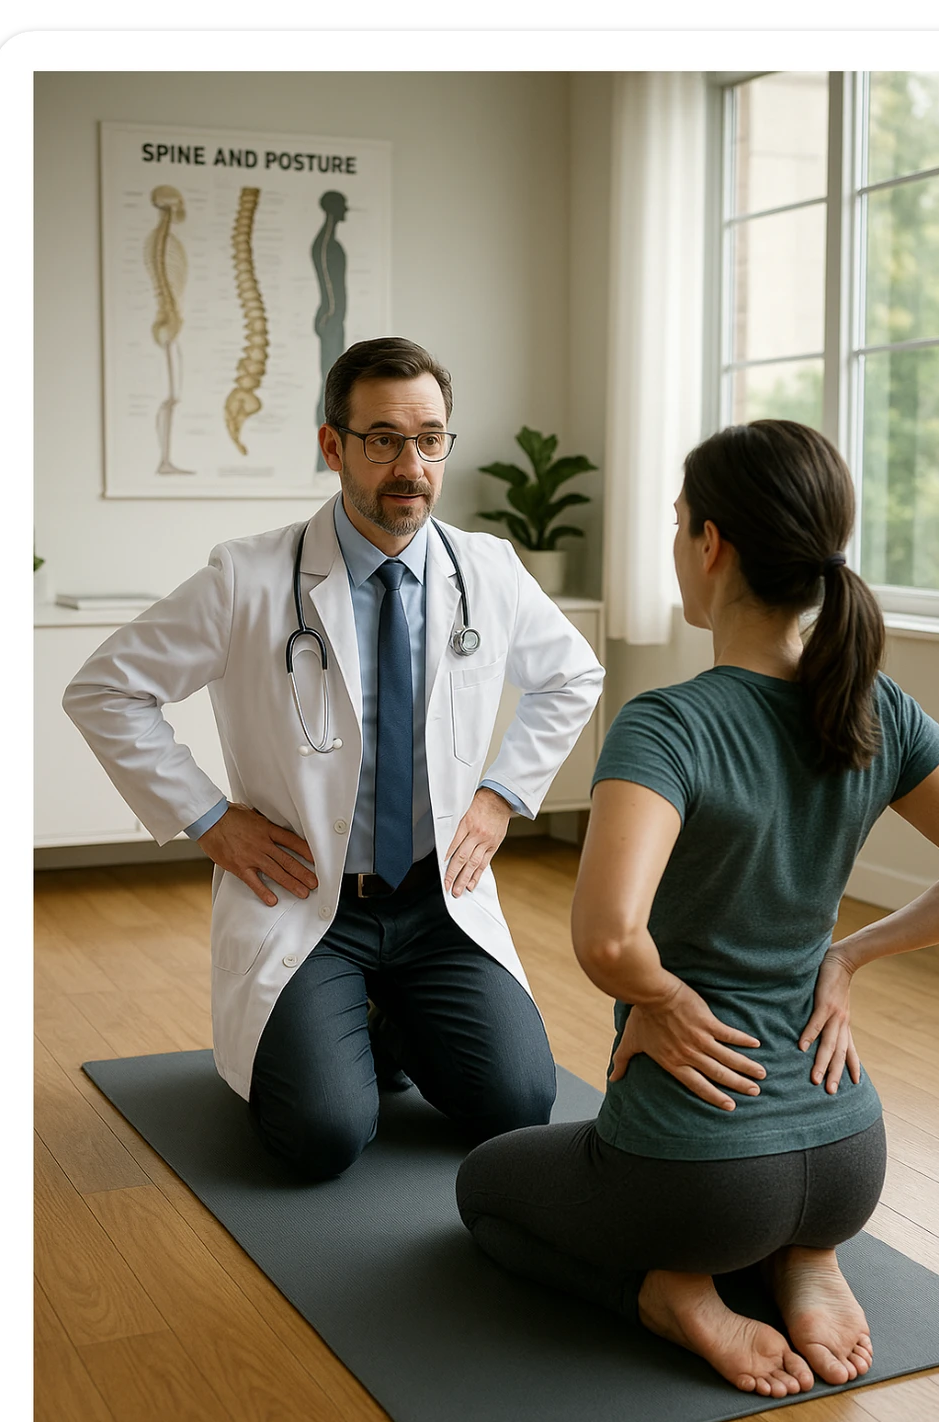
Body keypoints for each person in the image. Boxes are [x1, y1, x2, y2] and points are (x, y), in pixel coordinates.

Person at [456, 419, 939, 1398]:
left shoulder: (670, 723)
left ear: (711, 544)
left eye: (678, 520)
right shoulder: (875, 707)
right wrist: (846, 958)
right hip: (849, 1153)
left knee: (487, 1188)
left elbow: (607, 938)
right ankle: (807, 1257)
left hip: (699, 1177)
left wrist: (664, 1001)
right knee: (780, 1213)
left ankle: (667, 1297)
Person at [63, 337, 604, 1180]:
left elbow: (574, 676)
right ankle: (347, 1016)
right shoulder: (248, 578)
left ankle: (388, 1016)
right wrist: (209, 820)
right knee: (321, 1135)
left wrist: (501, 796)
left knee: (517, 1106)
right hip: (307, 900)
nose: (410, 465)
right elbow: (105, 689)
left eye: (430, 439)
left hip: (436, 900)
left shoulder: (486, 571)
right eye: (382, 438)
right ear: (333, 447)